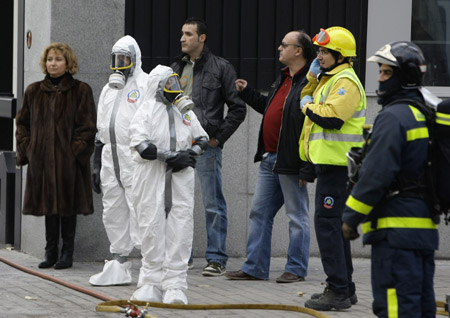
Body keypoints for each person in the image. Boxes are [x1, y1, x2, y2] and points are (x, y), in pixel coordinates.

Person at [342, 41, 439, 318]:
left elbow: (376, 174)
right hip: (422, 232)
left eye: (385, 73)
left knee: (395, 307)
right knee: (420, 305)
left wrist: (350, 218)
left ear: (403, 77)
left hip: (395, 233)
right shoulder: (423, 113)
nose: (380, 79)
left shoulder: (393, 117)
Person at [224, 31, 315, 283]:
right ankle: (255, 267)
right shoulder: (284, 78)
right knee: (259, 213)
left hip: (291, 160)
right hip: (269, 158)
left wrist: (307, 165)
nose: (279, 48)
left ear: (298, 51)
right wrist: (248, 92)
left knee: (297, 216)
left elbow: (313, 125)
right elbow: (271, 108)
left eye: (284, 45)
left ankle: (296, 269)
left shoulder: (311, 82)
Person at [170, 17, 247, 276]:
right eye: (182, 33)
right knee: (178, 202)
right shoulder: (175, 69)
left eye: (188, 34)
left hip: (206, 146)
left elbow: (238, 108)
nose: (182, 38)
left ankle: (216, 258)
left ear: (202, 38)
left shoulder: (221, 68)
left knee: (212, 203)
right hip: (179, 146)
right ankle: (184, 256)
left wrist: (217, 139)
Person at [299, 27, 367, 311]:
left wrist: (307, 105)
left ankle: (337, 289)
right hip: (330, 166)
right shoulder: (331, 79)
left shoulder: (346, 82)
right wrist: (313, 81)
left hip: (339, 168)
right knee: (333, 228)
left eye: (325, 52)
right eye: (319, 51)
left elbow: (331, 118)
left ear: (341, 55)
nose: (320, 56)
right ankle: (344, 288)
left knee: (327, 228)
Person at [129, 64, 208, 304]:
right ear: (158, 85)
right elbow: (142, 147)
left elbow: (202, 137)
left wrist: (192, 153)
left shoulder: (185, 112)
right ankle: (150, 283)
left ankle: (175, 286)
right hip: (152, 179)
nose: (175, 89)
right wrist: (174, 156)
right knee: (151, 228)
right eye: (170, 84)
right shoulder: (145, 112)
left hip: (180, 180)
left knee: (180, 229)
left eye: (176, 83)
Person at [15, 42, 97, 270]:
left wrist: (73, 153)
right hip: (41, 161)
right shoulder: (33, 91)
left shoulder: (81, 90)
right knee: (48, 206)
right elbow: (22, 124)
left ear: (68, 63)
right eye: (50, 59)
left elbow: (88, 128)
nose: (53, 64)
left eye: (58, 59)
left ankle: (67, 252)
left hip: (68, 163)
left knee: (68, 207)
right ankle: (50, 251)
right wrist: (29, 148)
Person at [89, 35, 147, 286]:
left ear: (135, 59)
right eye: (116, 59)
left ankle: (151, 266)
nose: (120, 64)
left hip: (134, 156)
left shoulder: (145, 85)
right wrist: (96, 160)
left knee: (142, 208)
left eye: (125, 59)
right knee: (113, 208)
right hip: (110, 155)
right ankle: (119, 264)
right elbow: (101, 126)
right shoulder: (108, 89)